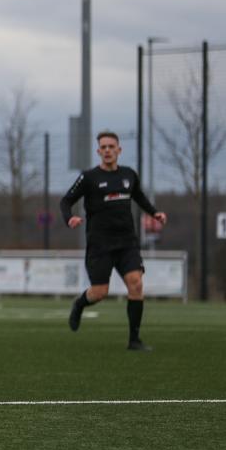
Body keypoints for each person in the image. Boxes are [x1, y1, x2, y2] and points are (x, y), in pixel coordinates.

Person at [60, 131, 166, 351]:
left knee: (136, 284)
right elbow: (66, 200)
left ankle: (134, 340)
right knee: (99, 293)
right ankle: (80, 304)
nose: (108, 150)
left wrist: (154, 213)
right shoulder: (89, 177)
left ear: (119, 150)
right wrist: (69, 217)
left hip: (127, 242)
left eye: (111, 146)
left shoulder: (129, 175)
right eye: (103, 147)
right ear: (98, 151)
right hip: (100, 244)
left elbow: (139, 197)